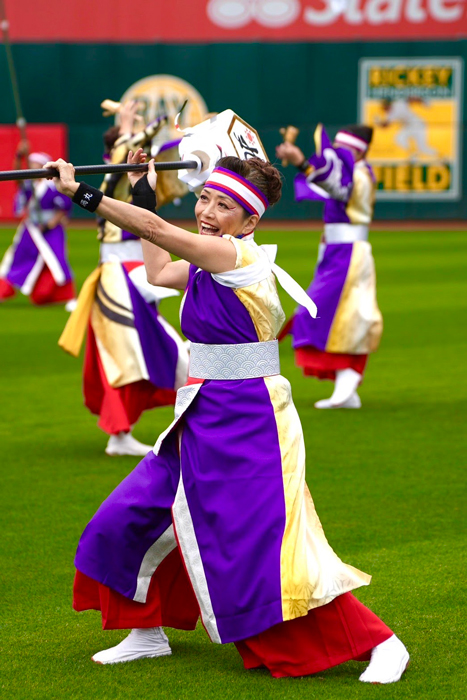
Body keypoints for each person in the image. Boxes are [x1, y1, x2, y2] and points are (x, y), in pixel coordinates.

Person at [48, 150, 409, 684]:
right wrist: (143, 193)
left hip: (249, 423)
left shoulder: (233, 257)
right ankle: (146, 634)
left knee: (258, 550)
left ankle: (381, 642)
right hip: (200, 412)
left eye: (224, 205)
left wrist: (82, 193)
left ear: (251, 220)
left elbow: (154, 231)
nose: (208, 211)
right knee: (129, 518)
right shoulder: (209, 258)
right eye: (204, 198)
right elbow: (158, 268)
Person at [59, 102, 189, 457]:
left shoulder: (113, 178)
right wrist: (129, 123)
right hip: (122, 274)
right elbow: (124, 149)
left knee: (144, 351)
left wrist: (132, 125)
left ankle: (125, 430)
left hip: (134, 272)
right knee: (128, 356)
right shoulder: (115, 169)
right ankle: (119, 433)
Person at [276, 124, 383, 409]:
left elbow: (335, 187)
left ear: (358, 151)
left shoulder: (359, 175)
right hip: (337, 252)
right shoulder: (355, 172)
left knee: (328, 313)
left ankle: (348, 381)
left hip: (349, 254)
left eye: (342, 146)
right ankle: (346, 385)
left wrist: (301, 162)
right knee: (331, 314)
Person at [0, 141, 76, 307]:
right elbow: (16, 177)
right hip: (31, 228)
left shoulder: (53, 186)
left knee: (57, 260)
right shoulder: (29, 185)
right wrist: (19, 155)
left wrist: (50, 224)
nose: (32, 167)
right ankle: (4, 291)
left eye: (36, 165)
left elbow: (62, 208)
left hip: (51, 229)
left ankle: (69, 298)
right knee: (17, 258)